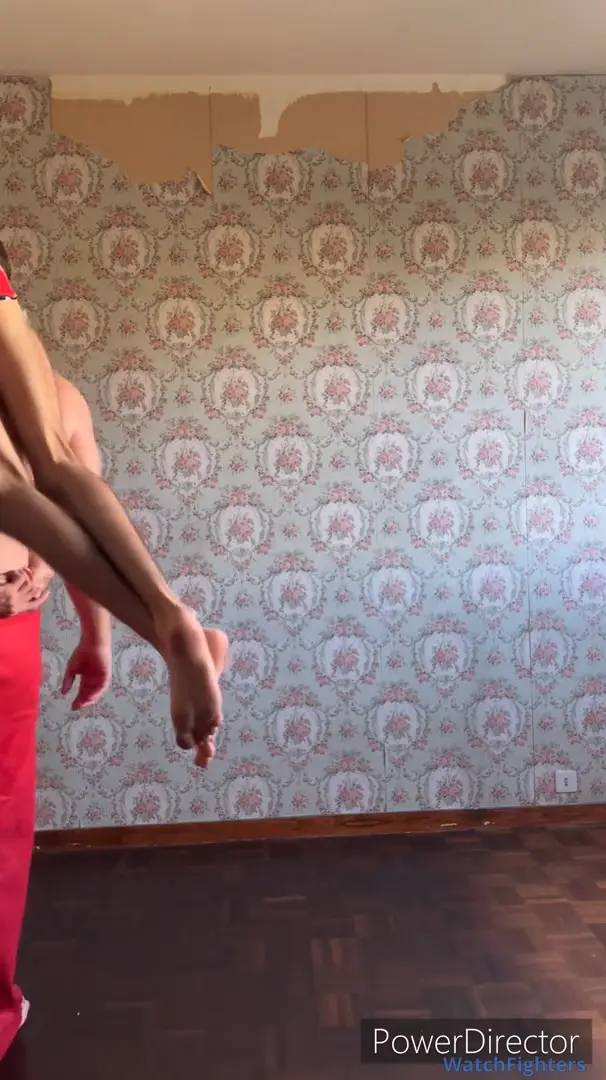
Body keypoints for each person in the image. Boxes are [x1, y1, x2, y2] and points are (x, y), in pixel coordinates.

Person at [0, 247, 228, 1059]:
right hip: (9, 629)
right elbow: (70, 481)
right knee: (44, 466)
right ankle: (169, 618)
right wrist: (100, 633)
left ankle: (171, 628)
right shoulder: (49, 377)